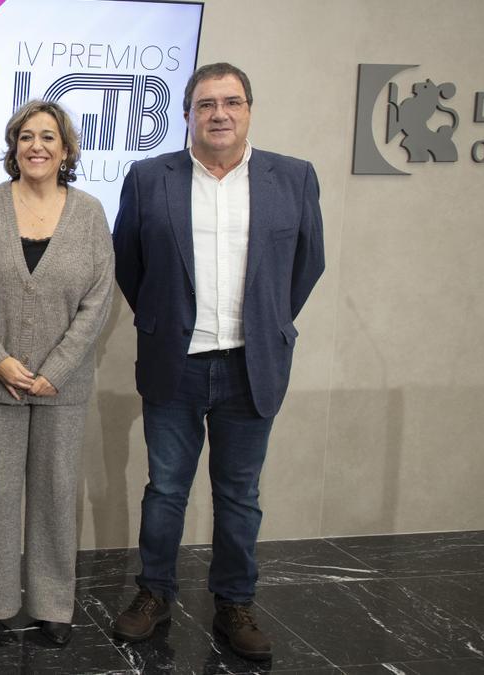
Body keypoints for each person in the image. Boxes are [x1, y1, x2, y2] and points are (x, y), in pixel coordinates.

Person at [110, 62, 325, 661]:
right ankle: (153, 593)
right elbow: (129, 262)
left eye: (231, 102)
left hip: (251, 365)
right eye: (206, 104)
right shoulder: (150, 177)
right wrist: (164, 320)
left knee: (239, 495)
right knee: (166, 491)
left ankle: (234, 602)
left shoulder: (294, 178)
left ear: (249, 110)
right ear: (187, 115)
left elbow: (307, 264)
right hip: (175, 363)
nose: (219, 114)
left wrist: (268, 322)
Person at [0, 100, 114, 646]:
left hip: (61, 390)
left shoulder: (89, 213)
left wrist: (58, 369)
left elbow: (98, 300)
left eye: (48, 137)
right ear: (12, 146)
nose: (36, 146)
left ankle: (52, 606)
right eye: (25, 136)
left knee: (54, 495)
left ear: (66, 149)